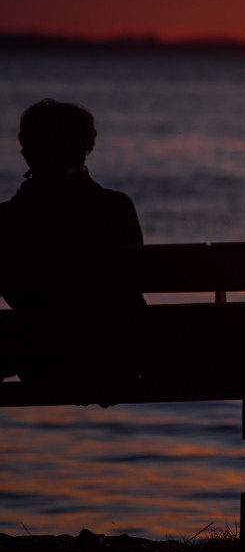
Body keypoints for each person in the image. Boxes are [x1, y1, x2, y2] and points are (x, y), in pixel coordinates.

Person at [0, 99, 145, 384]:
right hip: (118, 358)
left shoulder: (7, 218)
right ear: (85, 151)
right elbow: (135, 284)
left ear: (27, 154)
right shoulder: (117, 208)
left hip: (39, 361)